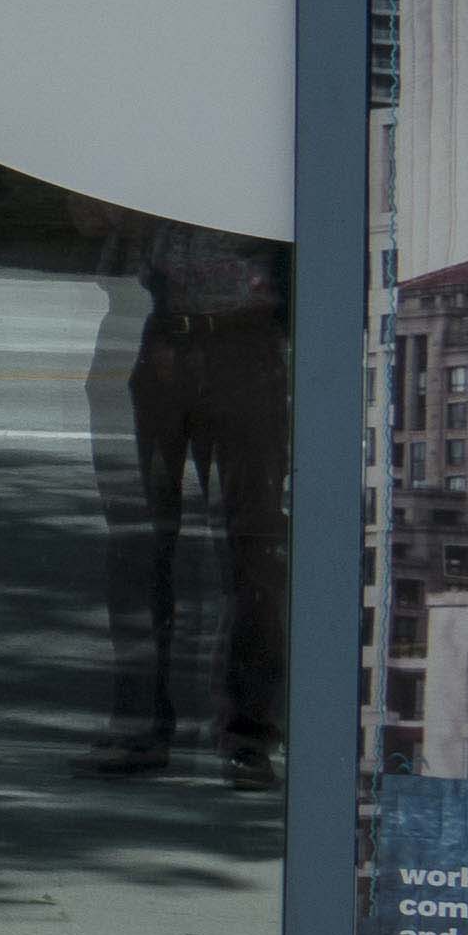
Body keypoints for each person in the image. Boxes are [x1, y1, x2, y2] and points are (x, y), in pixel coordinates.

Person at [89, 210, 293, 786]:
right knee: (140, 546)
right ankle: (141, 726)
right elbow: (88, 221)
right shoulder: (159, 171)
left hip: (247, 343)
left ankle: (248, 735)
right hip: (163, 338)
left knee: (254, 549)